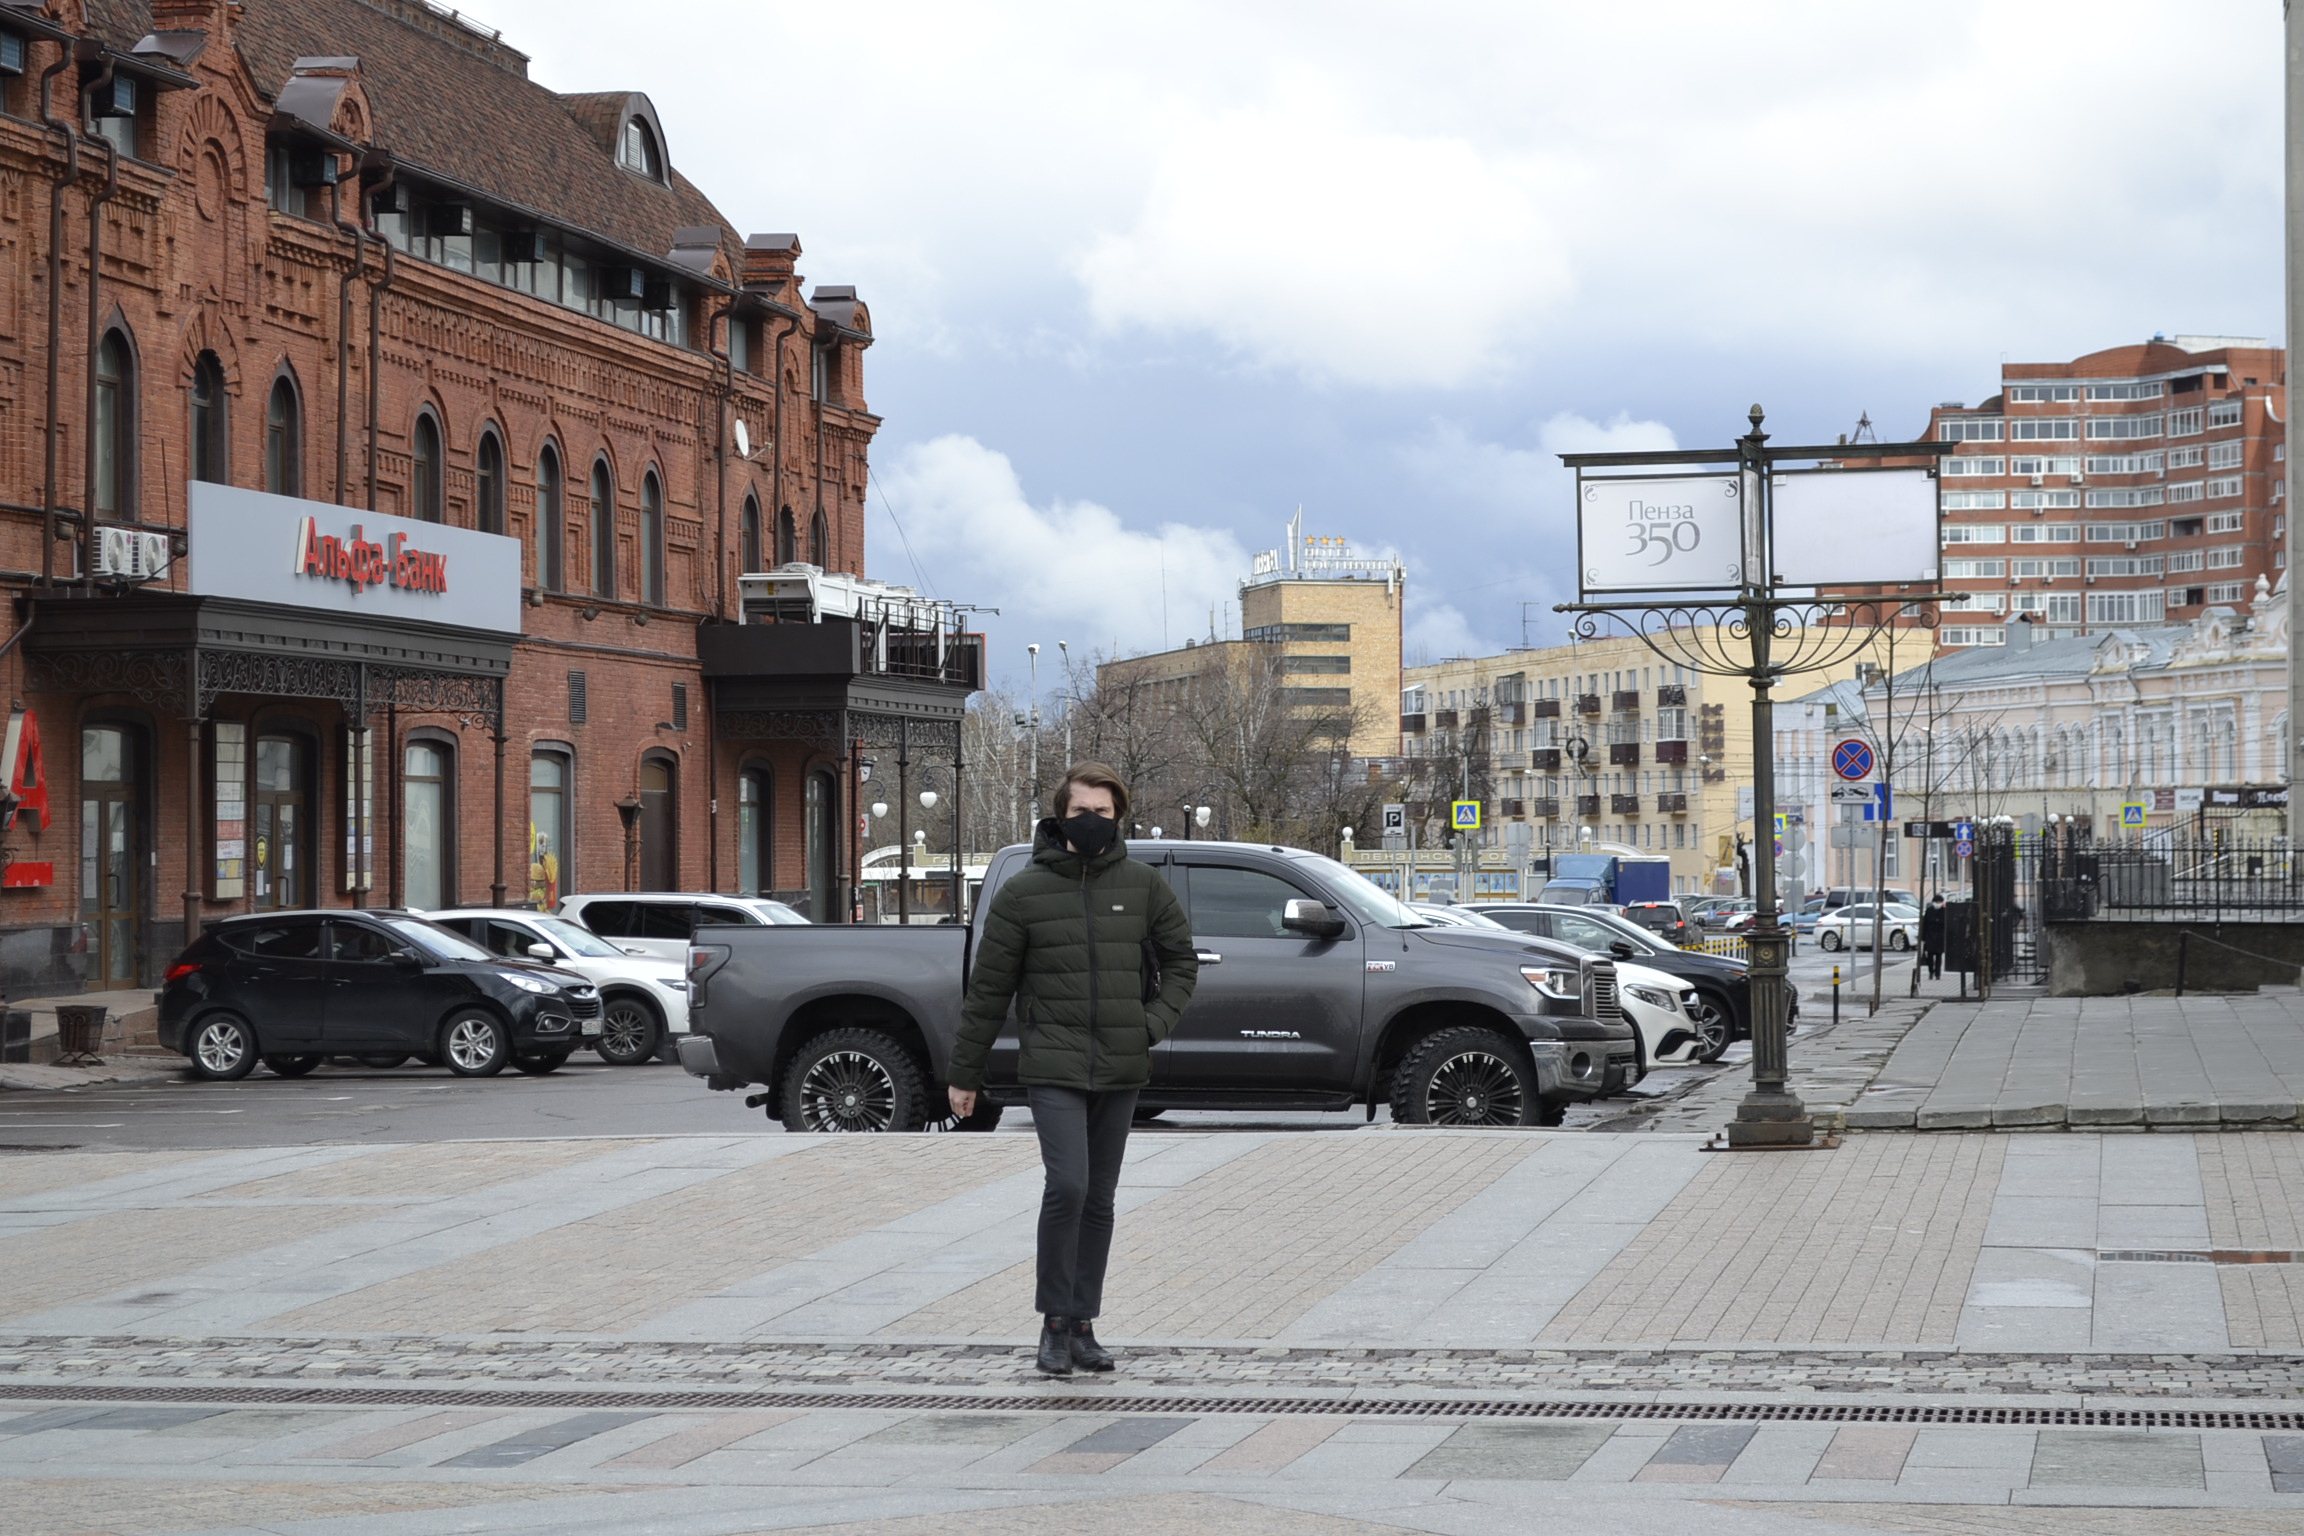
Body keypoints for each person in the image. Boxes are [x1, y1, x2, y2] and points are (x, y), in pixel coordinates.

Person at [945, 762, 1199, 1376]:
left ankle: (1084, 1323)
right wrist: (964, 1073)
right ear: (1060, 815)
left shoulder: (1141, 885)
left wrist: (1147, 1026)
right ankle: (1053, 1323)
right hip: (1054, 1065)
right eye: (1080, 811)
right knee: (1068, 1187)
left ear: (1120, 818)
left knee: (1101, 1199)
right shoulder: (1024, 892)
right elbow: (988, 990)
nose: (1091, 822)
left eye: (1103, 813)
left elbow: (1182, 965)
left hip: (1120, 1066)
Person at [1919, 893, 1947, 980]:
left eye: (1940, 902)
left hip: (1940, 937)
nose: (1938, 903)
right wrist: (1923, 937)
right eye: (1936, 901)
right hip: (1930, 937)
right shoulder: (1929, 911)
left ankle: (1938, 974)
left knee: (1939, 957)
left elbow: (1946, 925)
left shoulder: (1944, 911)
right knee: (1929, 956)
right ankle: (1931, 971)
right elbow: (1924, 924)